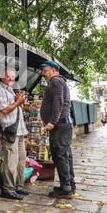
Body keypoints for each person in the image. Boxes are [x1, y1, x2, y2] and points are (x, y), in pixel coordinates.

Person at [39, 60, 75, 199]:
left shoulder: (55, 81)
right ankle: (69, 185)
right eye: (43, 71)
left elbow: (58, 102)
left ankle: (66, 188)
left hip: (60, 125)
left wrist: (52, 122)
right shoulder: (60, 82)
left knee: (60, 156)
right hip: (62, 125)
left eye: (45, 71)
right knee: (65, 156)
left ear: (54, 70)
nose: (43, 74)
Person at [0, 68, 29, 200]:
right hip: (9, 130)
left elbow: (16, 109)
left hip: (19, 130)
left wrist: (20, 101)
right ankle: (8, 189)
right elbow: (4, 111)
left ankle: (18, 186)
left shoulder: (10, 90)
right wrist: (18, 101)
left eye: (13, 76)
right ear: (2, 76)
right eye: (8, 76)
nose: (11, 79)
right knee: (11, 161)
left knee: (21, 159)